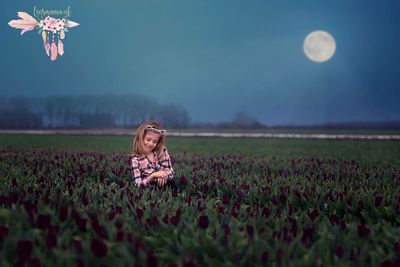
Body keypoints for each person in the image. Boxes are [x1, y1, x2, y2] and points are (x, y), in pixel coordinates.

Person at [130, 120, 178, 190]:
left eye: (155, 141)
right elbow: (137, 184)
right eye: (148, 139)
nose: (151, 144)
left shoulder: (162, 151)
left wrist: (164, 175)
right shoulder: (135, 159)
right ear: (141, 138)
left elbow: (170, 171)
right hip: (148, 189)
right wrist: (153, 176)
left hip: (167, 185)